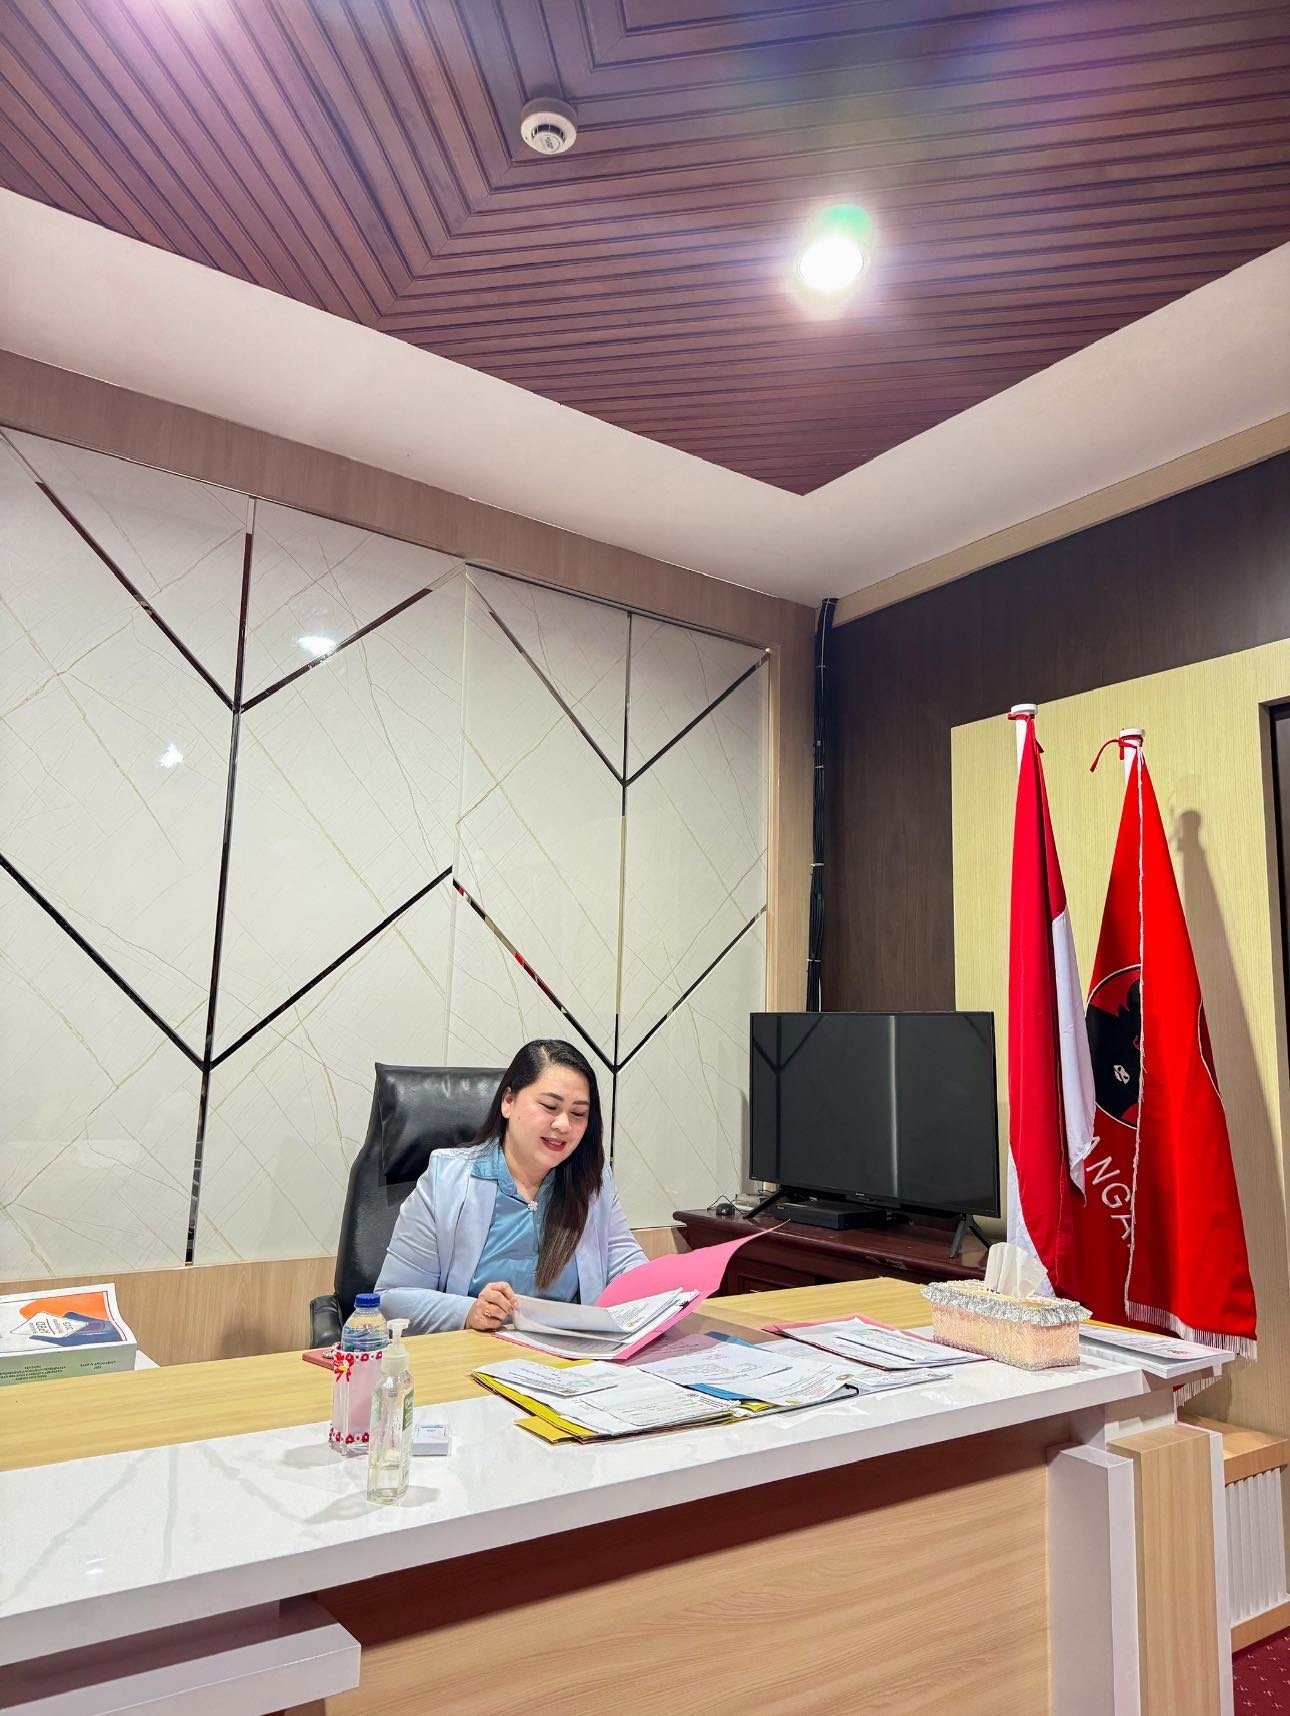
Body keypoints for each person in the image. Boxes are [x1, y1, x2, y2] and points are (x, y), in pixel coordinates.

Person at [376, 1039, 647, 1334]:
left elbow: (626, 1264)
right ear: (508, 1101)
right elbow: (391, 1299)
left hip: (572, 1352)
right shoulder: (447, 1178)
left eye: (578, 1113)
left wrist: (663, 1293)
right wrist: (468, 1312)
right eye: (550, 1106)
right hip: (478, 1351)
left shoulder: (592, 1178)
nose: (564, 1125)